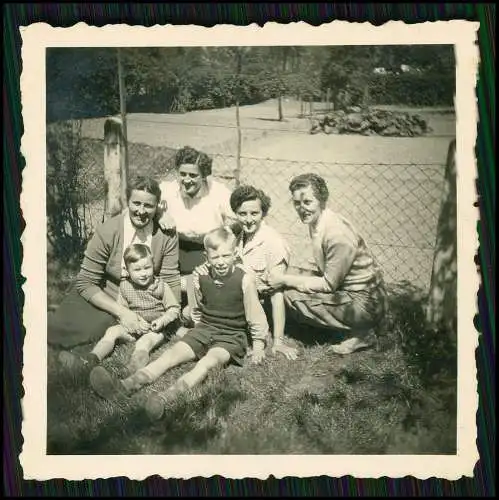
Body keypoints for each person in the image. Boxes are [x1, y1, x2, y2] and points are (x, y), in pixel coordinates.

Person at [88, 226, 270, 421]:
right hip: (205, 329)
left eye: (226, 256)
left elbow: (255, 314)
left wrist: (258, 344)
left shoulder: (244, 280)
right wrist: (197, 330)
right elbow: (199, 308)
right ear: (206, 256)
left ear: (235, 254)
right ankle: (124, 386)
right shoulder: (200, 276)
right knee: (170, 355)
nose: (221, 262)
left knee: (206, 363)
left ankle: (165, 398)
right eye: (215, 257)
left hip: (231, 336)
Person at [48, 175, 181, 349]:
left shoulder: (166, 234)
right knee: (61, 330)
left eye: (148, 205)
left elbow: (170, 277)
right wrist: (122, 312)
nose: (141, 211)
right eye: (136, 203)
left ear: (157, 207)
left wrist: (171, 314)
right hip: (108, 292)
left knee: (95, 330)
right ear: (128, 202)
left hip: (146, 299)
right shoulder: (109, 230)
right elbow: (85, 282)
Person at [262, 173, 387, 355]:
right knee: (286, 272)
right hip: (349, 292)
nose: (301, 208)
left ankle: (363, 333)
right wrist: (286, 277)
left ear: (321, 200)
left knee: (289, 295)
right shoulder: (320, 221)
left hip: (365, 303)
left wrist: (285, 281)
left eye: (307, 202)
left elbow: (328, 284)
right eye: (297, 203)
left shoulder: (337, 234)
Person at [59, 243, 180, 374]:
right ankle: (90, 360)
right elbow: (122, 310)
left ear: (153, 266)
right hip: (135, 327)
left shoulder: (161, 286)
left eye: (147, 268)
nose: (144, 274)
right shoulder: (125, 286)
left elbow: (174, 309)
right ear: (127, 271)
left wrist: (162, 321)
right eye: (137, 270)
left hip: (157, 328)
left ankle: (131, 368)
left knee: (145, 341)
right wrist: (127, 323)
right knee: (112, 331)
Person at [157, 146, 236, 312]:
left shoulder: (218, 192)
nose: (186, 180)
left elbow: (238, 219)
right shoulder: (167, 189)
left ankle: (194, 311)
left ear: (204, 176)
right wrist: (160, 214)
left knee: (200, 280)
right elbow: (146, 203)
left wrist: (224, 233)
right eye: (182, 174)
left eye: (193, 175)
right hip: (175, 246)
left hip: (205, 249)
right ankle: (168, 306)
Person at [229, 185, 298, 360]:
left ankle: (261, 339)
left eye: (254, 213)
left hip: (262, 304)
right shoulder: (238, 234)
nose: (248, 219)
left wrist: (278, 341)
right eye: (242, 214)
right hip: (241, 300)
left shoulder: (273, 242)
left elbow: (277, 294)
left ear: (263, 213)